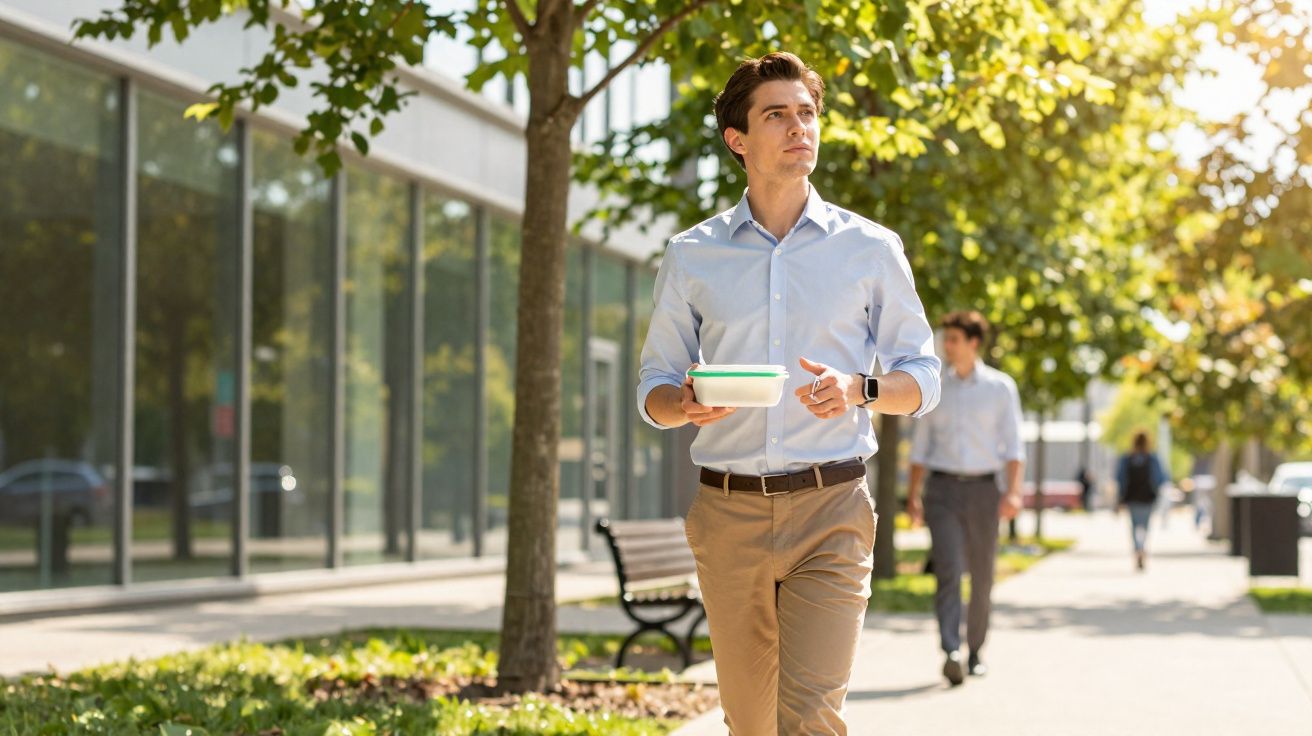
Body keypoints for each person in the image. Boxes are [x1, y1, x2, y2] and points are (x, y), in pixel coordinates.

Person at [636, 52, 941, 735]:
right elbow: (654, 383)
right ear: (738, 140)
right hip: (728, 512)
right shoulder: (693, 254)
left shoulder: (870, 249)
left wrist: (860, 388)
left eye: (807, 113)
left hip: (831, 509)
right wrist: (683, 403)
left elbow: (922, 377)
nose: (799, 127)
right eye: (777, 114)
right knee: (750, 724)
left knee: (808, 717)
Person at [906, 311, 1025, 687]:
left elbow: (1014, 446)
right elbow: (920, 449)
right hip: (942, 491)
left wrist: (1014, 492)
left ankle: (975, 650)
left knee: (982, 573)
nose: (947, 346)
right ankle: (951, 650)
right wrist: (913, 496)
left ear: (974, 343)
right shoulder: (934, 388)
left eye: (955, 339)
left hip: (985, 491)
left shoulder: (1000, 388)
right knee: (948, 570)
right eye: (946, 339)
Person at [1116, 431, 1168, 571]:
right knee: (1145, 526)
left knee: (1134, 526)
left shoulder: (1127, 459)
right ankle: (1142, 548)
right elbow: (1161, 478)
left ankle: (1137, 550)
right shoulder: (1152, 458)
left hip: (1131, 498)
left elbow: (1120, 479)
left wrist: (1120, 498)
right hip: (1148, 498)